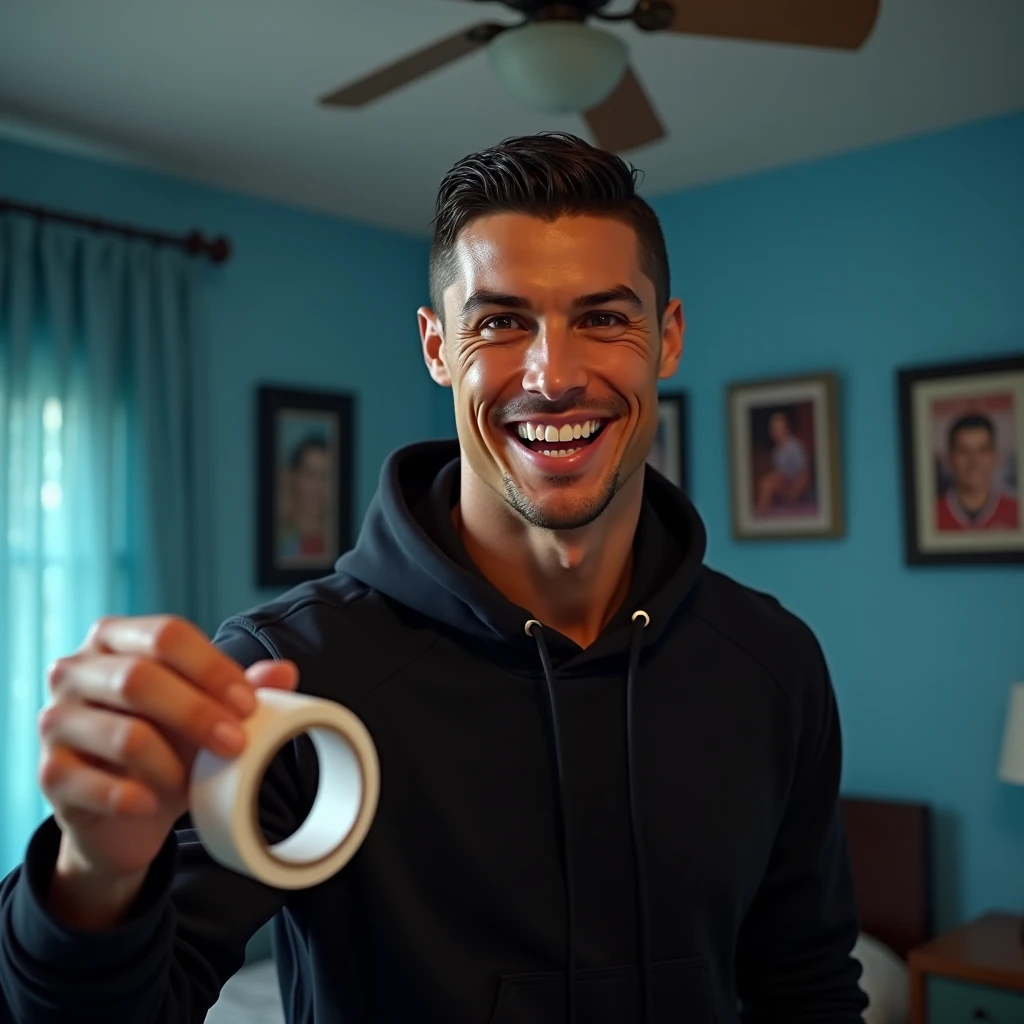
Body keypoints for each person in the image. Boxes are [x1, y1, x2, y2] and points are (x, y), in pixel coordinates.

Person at [0, 133, 868, 1024]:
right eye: (500, 322)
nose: (554, 375)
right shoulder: (292, 675)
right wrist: (94, 875)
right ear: (437, 348)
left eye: (604, 318)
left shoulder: (773, 662)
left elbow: (807, 988)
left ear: (669, 339)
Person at [936, 412, 1019, 531]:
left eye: (982, 450)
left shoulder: (1017, 512)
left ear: (995, 456)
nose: (974, 462)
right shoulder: (931, 514)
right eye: (964, 451)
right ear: (950, 458)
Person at [277, 434, 331, 561]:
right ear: (296, 478)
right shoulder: (283, 542)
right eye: (310, 474)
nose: (318, 486)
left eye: (325, 476)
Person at [754, 409, 811, 515]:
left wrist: (793, 492)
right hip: (785, 482)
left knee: (769, 482)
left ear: (786, 429)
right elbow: (779, 473)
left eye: (779, 429)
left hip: (798, 483)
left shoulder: (795, 447)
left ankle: (765, 509)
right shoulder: (776, 451)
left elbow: (804, 474)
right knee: (766, 482)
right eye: (774, 429)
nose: (776, 432)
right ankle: (762, 510)